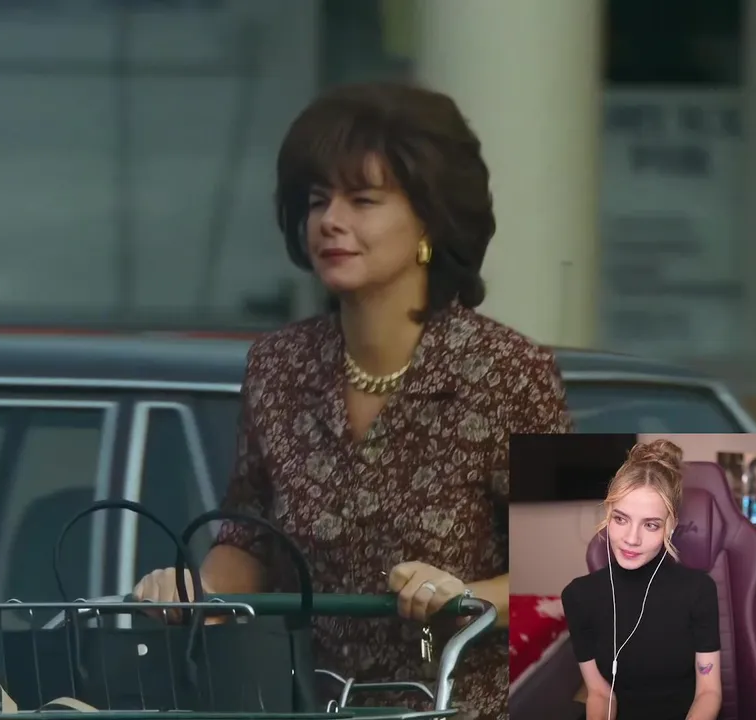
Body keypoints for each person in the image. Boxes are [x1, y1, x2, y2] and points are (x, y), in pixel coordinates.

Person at [132, 81, 572, 720]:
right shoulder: (278, 365)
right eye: (318, 201)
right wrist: (196, 589)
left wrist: (463, 595)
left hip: (462, 707)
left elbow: (576, 568)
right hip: (308, 704)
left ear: (429, 220)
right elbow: (250, 534)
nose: (331, 220)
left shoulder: (510, 370)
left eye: (363, 200)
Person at [560, 439, 722, 720]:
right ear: (608, 515)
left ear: (670, 527)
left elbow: (709, 692)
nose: (631, 539)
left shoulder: (699, 591)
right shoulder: (578, 597)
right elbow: (600, 693)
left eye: (650, 525)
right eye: (621, 519)